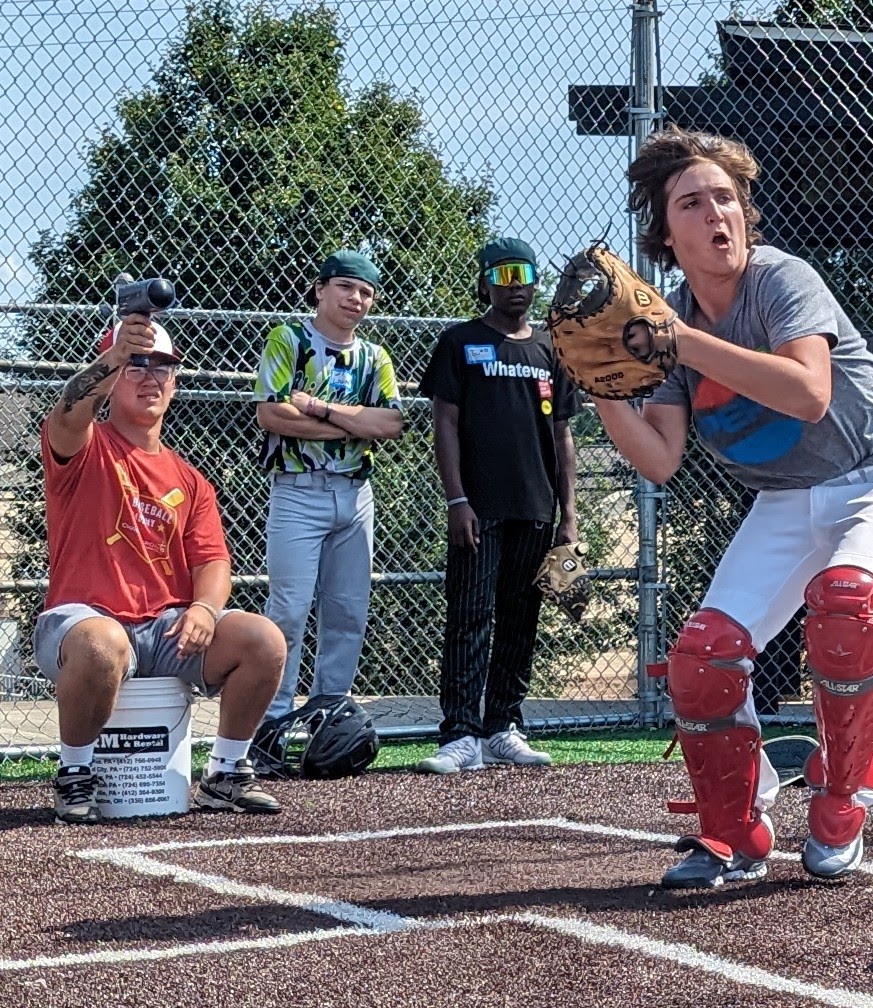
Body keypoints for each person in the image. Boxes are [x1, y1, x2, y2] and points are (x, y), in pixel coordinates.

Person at [594, 127, 873, 886]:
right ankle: (733, 834)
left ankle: (843, 795)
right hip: (784, 499)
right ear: (665, 233)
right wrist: (606, 393)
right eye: (692, 202)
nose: (716, 212)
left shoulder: (780, 279)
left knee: (846, 607)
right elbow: (661, 459)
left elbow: (808, 395)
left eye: (727, 198)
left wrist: (676, 340)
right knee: (702, 657)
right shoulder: (673, 325)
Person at [37, 315, 287, 824]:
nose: (151, 377)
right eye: (137, 366)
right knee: (102, 642)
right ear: (111, 376)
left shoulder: (189, 479)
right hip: (82, 621)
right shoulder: (86, 445)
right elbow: (68, 413)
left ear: (174, 384)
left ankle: (226, 772)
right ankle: (74, 773)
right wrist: (112, 360)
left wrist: (203, 608)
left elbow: (213, 562)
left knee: (263, 639)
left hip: (164, 627)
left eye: (163, 368)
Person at [416, 238, 579, 774]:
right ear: (485, 281)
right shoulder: (460, 342)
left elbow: (562, 436)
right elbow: (444, 423)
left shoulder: (550, 352)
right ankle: (460, 733)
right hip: (478, 508)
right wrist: (456, 498)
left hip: (536, 508)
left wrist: (568, 516)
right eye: (504, 274)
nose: (516, 284)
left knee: (520, 617)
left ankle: (503, 725)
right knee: (469, 617)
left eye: (525, 273)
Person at [253, 251, 403, 721]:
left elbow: (392, 422)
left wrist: (318, 409)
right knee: (289, 611)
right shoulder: (290, 339)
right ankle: (273, 719)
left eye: (365, 292)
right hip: (297, 491)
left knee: (347, 612)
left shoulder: (374, 356)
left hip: (355, 495)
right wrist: (356, 424)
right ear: (320, 289)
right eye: (345, 287)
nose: (355, 299)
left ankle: (328, 712)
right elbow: (272, 413)